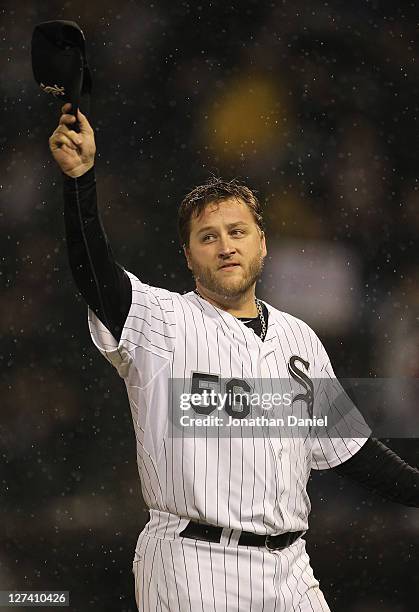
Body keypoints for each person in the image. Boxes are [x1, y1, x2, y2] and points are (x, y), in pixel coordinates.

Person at [49, 103, 419, 611]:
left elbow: (352, 451)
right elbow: (94, 274)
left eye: (238, 232)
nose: (226, 246)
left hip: (292, 569)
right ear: (188, 255)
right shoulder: (163, 321)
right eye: (208, 237)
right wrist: (79, 183)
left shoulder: (300, 338)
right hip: (193, 563)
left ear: (263, 244)